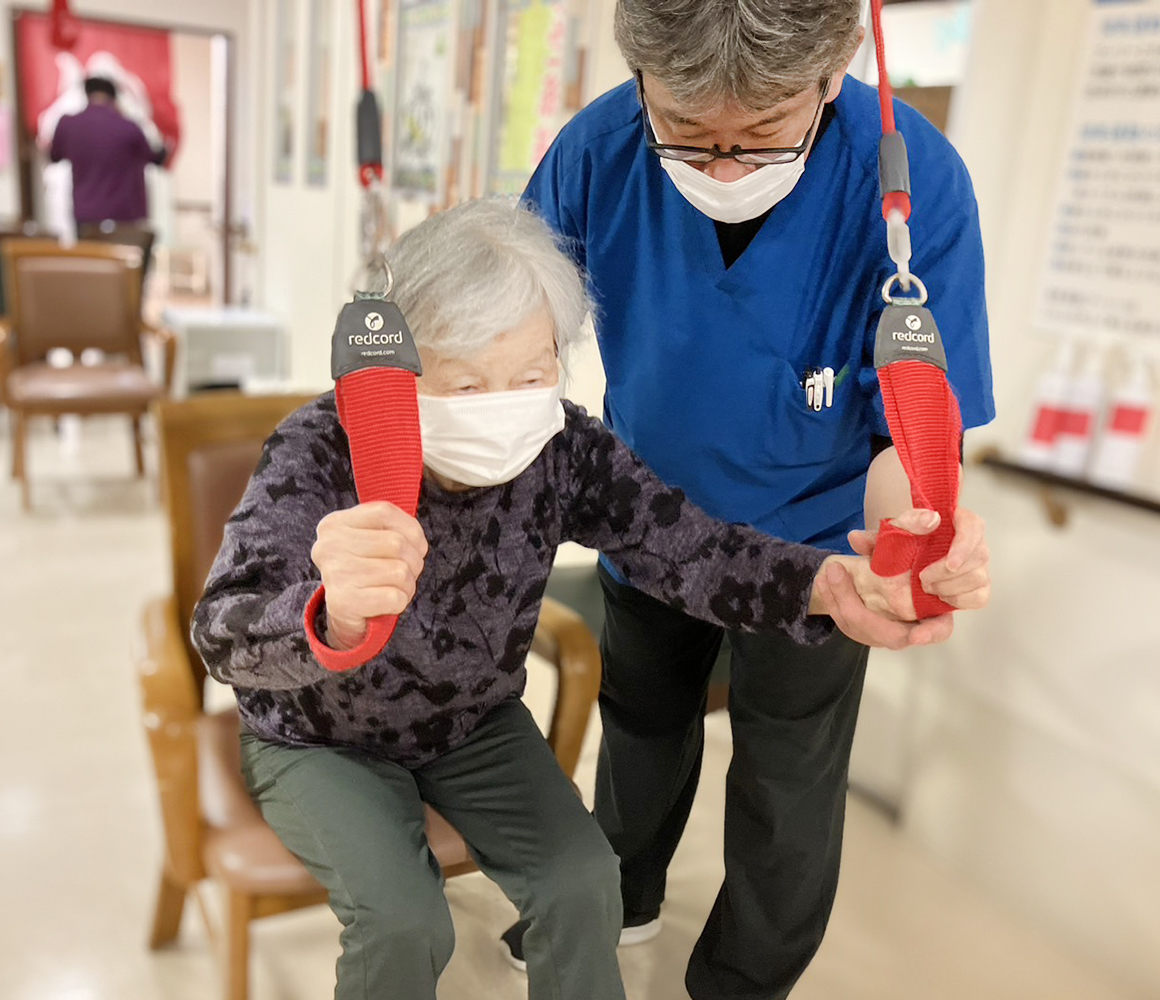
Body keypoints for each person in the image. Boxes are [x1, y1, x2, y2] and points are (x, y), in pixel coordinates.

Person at [190, 198, 951, 1000]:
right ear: (400, 375)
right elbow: (220, 630)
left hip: (471, 726)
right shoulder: (320, 449)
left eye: (531, 373)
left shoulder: (562, 447)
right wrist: (328, 612)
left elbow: (686, 547)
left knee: (587, 879)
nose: (506, 404)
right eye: (468, 382)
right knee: (405, 920)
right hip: (318, 735)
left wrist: (827, 583)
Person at [508, 1, 995, 996]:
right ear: (641, 81)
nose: (722, 167)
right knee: (638, 724)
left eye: (760, 136)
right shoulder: (597, 153)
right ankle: (620, 892)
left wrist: (913, 526)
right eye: (688, 134)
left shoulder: (912, 178)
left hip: (819, 557)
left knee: (787, 776)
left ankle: (744, 975)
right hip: (649, 523)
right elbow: (507, 334)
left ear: (830, 76)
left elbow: (911, 422)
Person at [48, 76, 167, 229]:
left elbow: (54, 156)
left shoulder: (68, 125)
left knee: (90, 253)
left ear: (87, 95)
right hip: (124, 216)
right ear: (114, 98)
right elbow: (156, 158)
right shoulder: (129, 127)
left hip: (86, 214)